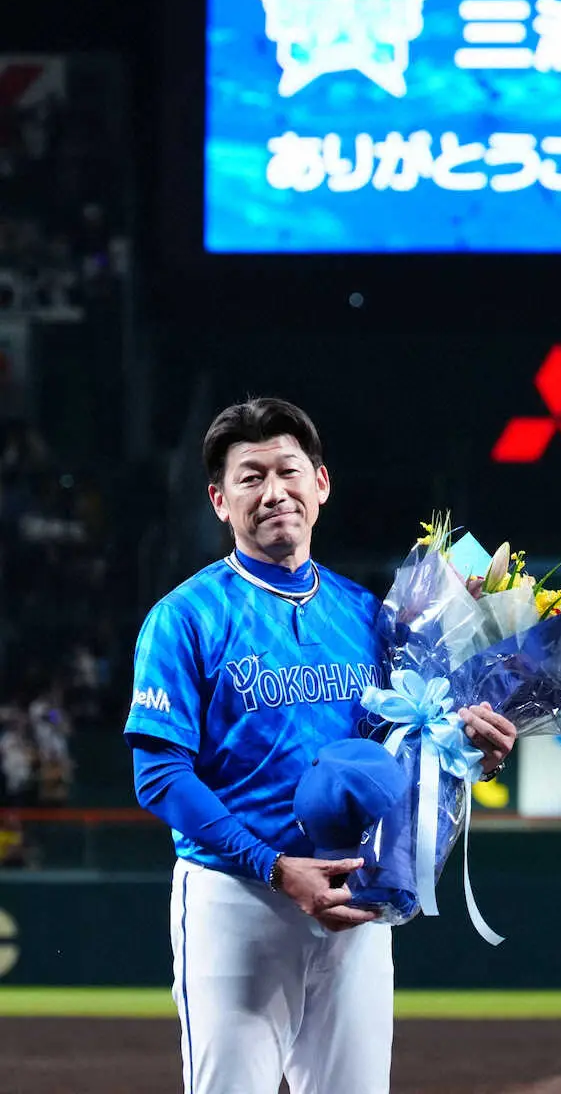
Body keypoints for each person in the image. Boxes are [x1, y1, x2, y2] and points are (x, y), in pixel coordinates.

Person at [123, 397, 516, 1094]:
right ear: (219, 500)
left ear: (320, 484)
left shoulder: (365, 614)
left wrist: (463, 750)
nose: (273, 491)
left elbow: (400, 747)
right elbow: (157, 775)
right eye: (249, 477)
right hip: (237, 895)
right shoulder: (184, 616)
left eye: (288, 470)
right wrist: (275, 867)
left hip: (354, 899)